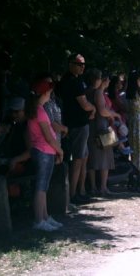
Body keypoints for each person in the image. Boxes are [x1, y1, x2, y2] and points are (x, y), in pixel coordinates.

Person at [25, 79, 64, 231]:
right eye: (49, 91)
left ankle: (45, 217)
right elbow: (48, 137)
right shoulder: (40, 111)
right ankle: (39, 220)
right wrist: (60, 150)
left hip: (43, 151)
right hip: (44, 152)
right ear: (45, 93)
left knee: (43, 187)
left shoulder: (37, 109)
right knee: (41, 188)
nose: (51, 93)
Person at [57, 54, 96, 205]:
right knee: (78, 160)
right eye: (79, 64)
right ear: (70, 64)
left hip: (71, 124)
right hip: (78, 125)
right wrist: (92, 109)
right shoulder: (74, 81)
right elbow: (84, 103)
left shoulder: (66, 81)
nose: (82, 67)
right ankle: (73, 194)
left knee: (81, 158)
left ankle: (79, 191)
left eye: (83, 65)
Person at [85, 70, 122, 195]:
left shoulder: (88, 91)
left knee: (92, 158)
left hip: (92, 127)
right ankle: (103, 187)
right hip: (102, 126)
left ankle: (94, 187)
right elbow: (102, 110)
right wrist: (114, 114)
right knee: (106, 157)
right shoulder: (99, 92)